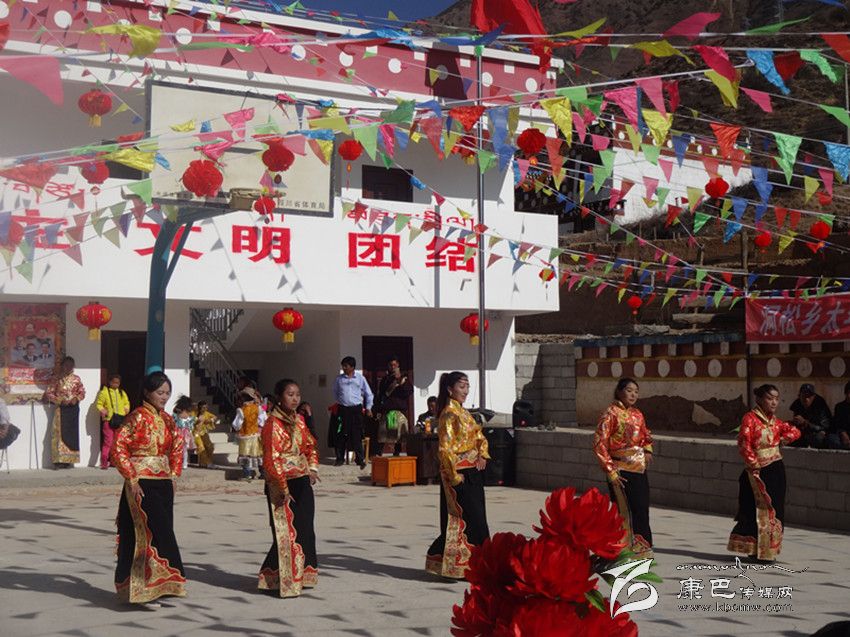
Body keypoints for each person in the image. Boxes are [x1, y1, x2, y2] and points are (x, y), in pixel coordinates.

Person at [111, 371, 186, 605]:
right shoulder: (136, 417)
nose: (164, 397)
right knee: (145, 533)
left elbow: (178, 445)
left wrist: (174, 475)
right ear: (147, 392)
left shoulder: (168, 420)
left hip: (163, 481)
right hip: (141, 482)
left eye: (167, 393)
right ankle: (140, 587)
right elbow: (118, 448)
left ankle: (161, 584)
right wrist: (131, 478)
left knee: (164, 532)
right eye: (159, 392)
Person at [425, 372, 490, 579]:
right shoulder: (448, 414)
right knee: (462, 519)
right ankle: (458, 565)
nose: (466, 391)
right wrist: (454, 476)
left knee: (477, 518)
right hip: (458, 473)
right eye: (462, 386)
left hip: (473, 471)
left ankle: (474, 565)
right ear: (450, 389)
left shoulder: (464, 413)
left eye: (467, 386)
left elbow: (479, 435)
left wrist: (482, 453)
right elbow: (445, 449)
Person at [258, 378, 320, 598]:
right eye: (290, 394)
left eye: (297, 395)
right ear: (279, 397)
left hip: (302, 481)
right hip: (281, 484)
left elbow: (310, 445)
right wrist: (283, 487)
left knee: (305, 529)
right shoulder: (272, 424)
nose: (295, 399)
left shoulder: (300, 420)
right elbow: (271, 459)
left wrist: (312, 468)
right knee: (285, 534)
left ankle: (300, 575)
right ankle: (284, 581)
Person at [728, 384, 801, 562]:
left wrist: (783, 439)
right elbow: (744, 444)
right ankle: (756, 550)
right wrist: (754, 465)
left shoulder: (776, 422)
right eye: (770, 398)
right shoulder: (750, 419)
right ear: (759, 399)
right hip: (758, 471)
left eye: (776, 399)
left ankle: (769, 551)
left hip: (776, 468)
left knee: (775, 510)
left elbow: (795, 431)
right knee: (759, 510)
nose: (774, 402)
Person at [593, 377, 654, 559]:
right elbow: (599, 443)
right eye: (629, 390)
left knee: (641, 508)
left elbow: (645, 434)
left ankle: (642, 548)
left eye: (636, 391)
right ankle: (623, 549)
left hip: (639, 468)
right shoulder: (610, 414)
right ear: (619, 392)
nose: (633, 394)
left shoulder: (638, 414)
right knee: (624, 510)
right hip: (620, 470)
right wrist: (610, 471)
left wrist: (647, 449)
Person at [332, 356, 373, 469]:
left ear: (352, 367)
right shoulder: (339, 379)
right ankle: (339, 458)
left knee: (356, 434)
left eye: (346, 366)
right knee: (341, 434)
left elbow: (368, 393)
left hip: (356, 409)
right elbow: (335, 392)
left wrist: (368, 407)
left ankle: (359, 459)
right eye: (343, 366)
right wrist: (341, 401)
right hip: (343, 409)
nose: (344, 368)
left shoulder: (360, 378)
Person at [44, 356, 85, 468]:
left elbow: (82, 392)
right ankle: (58, 461)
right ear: (62, 366)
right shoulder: (56, 378)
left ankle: (69, 460)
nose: (69, 367)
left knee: (71, 434)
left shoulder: (76, 379)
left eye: (71, 365)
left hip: (73, 410)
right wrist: (60, 400)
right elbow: (49, 393)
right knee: (58, 434)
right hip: (60, 409)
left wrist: (76, 398)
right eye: (66, 365)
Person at [375, 356, 413, 456]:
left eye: (394, 365)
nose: (393, 367)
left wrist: (400, 380)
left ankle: (397, 452)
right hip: (387, 410)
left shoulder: (404, 379)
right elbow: (381, 395)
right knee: (383, 433)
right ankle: (379, 453)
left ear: (398, 365)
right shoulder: (385, 380)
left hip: (399, 410)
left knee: (399, 435)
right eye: (391, 365)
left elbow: (408, 392)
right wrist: (378, 409)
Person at [95, 372, 130, 469]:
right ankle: (104, 461)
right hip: (109, 420)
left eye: (117, 383)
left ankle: (114, 461)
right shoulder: (104, 392)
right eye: (114, 382)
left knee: (118, 442)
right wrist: (103, 410)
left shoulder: (122, 393)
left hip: (120, 420)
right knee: (108, 442)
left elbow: (126, 402)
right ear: (110, 382)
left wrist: (126, 409)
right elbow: (99, 404)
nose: (116, 384)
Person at [233, 391, 266, 480]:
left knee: (245, 455)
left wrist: (238, 429)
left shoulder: (241, 410)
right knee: (257, 454)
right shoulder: (258, 408)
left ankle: (248, 474)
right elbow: (262, 421)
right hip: (255, 434)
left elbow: (237, 424)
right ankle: (262, 473)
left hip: (245, 435)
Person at [789, 383, 831, 448]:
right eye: (804, 396)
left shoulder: (820, 404)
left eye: (809, 396)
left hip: (817, 432)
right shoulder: (797, 404)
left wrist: (805, 422)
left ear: (814, 397)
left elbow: (824, 427)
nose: (806, 399)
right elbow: (797, 424)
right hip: (804, 432)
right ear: (799, 396)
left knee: (819, 438)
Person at [172, 396, 196, 470]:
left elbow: (191, 424)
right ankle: (178, 462)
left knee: (184, 449)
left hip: (185, 433)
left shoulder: (189, 416)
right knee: (177, 448)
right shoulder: (177, 413)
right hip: (177, 432)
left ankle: (184, 462)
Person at [193, 401, 218, 467]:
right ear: (200, 407)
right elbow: (190, 420)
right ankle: (206, 463)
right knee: (201, 448)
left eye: (206, 407)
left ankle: (206, 462)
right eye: (204, 407)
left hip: (204, 432)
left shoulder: (206, 413)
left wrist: (211, 420)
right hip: (196, 433)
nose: (205, 409)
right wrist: (197, 420)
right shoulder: (194, 413)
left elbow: (215, 417)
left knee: (210, 447)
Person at [829, 382, 850, 451]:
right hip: (843, 434)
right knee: (832, 439)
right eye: (848, 393)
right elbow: (837, 424)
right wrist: (843, 433)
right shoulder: (840, 407)